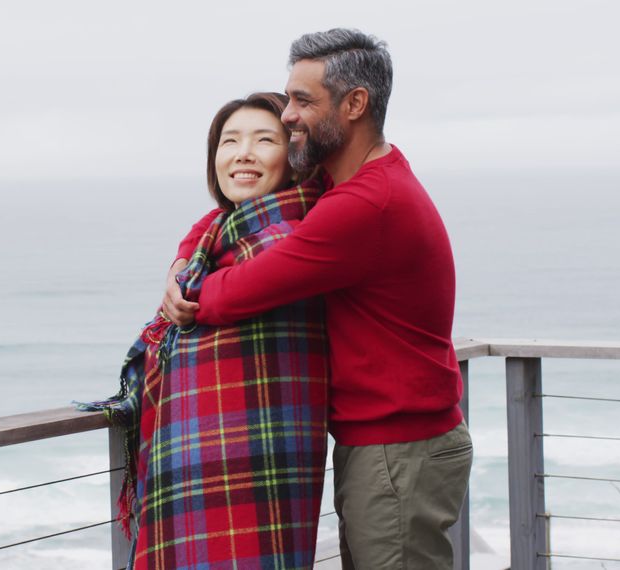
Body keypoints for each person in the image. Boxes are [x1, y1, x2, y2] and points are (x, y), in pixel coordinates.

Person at [164, 29, 473, 569]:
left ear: (355, 104)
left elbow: (241, 291)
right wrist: (183, 258)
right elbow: (221, 218)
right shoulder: (349, 180)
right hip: (388, 444)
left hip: (397, 449)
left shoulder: (364, 204)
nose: (288, 116)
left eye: (304, 101)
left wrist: (187, 293)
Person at [82, 92, 329, 569]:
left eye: (264, 140)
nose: (243, 154)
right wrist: (180, 262)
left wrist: (184, 274)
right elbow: (209, 229)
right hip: (194, 463)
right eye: (229, 141)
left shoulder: (299, 242)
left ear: (294, 157)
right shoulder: (219, 238)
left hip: (264, 464)